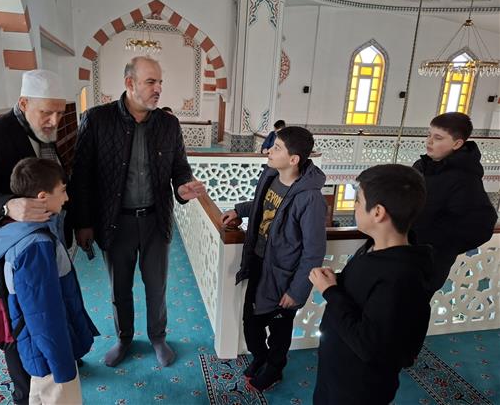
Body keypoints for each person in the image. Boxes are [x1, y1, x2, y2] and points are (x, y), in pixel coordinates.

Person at [71, 56, 206, 368]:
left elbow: (180, 168)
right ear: (130, 83)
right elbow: (81, 177)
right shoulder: (97, 120)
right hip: (115, 222)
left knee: (157, 287)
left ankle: (158, 337)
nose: (158, 88)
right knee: (120, 288)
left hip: (156, 221)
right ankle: (124, 338)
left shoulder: (168, 124)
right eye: (151, 82)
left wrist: (183, 188)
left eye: (160, 82)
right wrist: (83, 222)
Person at [0, 69, 69, 405]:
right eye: (46, 112)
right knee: (18, 324)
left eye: (60, 112)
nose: (54, 120)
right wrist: (8, 205)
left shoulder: (47, 131)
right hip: (12, 252)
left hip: (47, 240)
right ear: (23, 103)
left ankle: (56, 362)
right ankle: (24, 392)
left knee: (50, 310)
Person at [310, 164, 432, 405]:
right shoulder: (373, 248)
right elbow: (363, 296)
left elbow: (368, 345)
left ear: (377, 212)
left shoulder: (401, 275)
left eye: (358, 200)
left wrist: (330, 291)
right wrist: (336, 282)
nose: (354, 206)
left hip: (357, 388)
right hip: (338, 370)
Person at [0, 158, 97, 405]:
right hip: (50, 351)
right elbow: (43, 314)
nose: (67, 198)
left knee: (40, 395)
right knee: (60, 397)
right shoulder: (36, 246)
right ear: (43, 197)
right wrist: (62, 363)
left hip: (40, 347)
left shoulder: (17, 230)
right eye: (62, 190)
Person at [221, 126, 327, 391]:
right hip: (259, 262)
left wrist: (297, 290)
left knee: (279, 330)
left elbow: (314, 251)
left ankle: (274, 369)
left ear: (293, 159)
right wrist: (239, 210)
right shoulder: (271, 176)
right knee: (251, 321)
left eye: (276, 148)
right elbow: (263, 205)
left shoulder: (311, 199)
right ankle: (261, 358)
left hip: (284, 276)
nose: (268, 151)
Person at [411, 112, 497, 294]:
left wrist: (431, 243)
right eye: (429, 135)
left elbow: (481, 226)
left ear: (457, 144)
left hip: (428, 264)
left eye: (438, 138)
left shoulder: (465, 179)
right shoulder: (422, 166)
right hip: (404, 253)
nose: (429, 141)